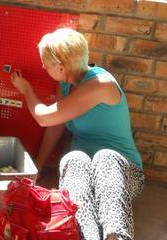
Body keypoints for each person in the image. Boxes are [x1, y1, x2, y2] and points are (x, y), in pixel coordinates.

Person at [10, 28, 144, 240]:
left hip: (122, 175)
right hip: (84, 174)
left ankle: (115, 236)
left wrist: (26, 90)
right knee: (74, 158)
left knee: (105, 157)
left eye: (46, 62)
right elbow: (55, 125)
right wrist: (39, 166)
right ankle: (83, 235)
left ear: (62, 67)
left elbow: (44, 117)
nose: (43, 66)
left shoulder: (101, 85)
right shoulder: (65, 85)